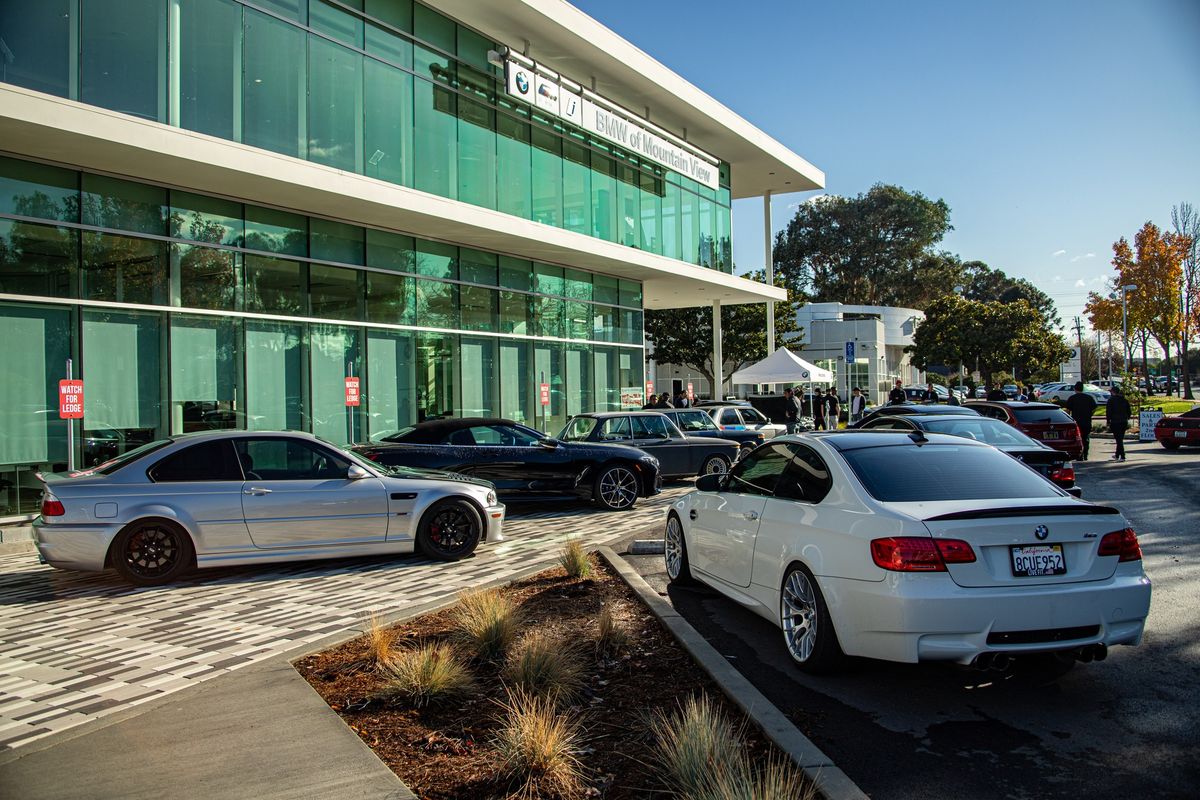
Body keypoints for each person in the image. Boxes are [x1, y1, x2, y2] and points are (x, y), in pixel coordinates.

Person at [1064, 381, 1098, 460]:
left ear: (1075, 389)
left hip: (1076, 421)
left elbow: (1068, 410)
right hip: (1087, 421)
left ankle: (1080, 455)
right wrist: (1090, 414)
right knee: (1086, 438)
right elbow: (1095, 407)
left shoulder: (1072, 398)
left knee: (1078, 439)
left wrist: (1069, 418)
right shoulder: (1089, 398)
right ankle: (1085, 454)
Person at [1106, 385, 1133, 461]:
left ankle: (1123, 456)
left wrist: (1108, 421)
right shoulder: (1124, 400)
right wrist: (1127, 418)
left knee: (1119, 439)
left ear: (1113, 392)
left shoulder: (1111, 400)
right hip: (1124, 421)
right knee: (1120, 438)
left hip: (1115, 422)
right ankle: (1117, 455)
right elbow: (1129, 411)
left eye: (1111, 391)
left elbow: (1109, 412)